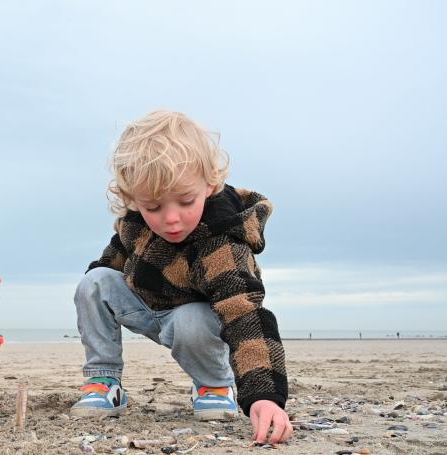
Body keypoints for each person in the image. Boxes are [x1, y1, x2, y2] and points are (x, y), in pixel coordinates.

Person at [71, 110, 292, 444]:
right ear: (134, 198)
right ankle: (104, 382)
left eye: (186, 201)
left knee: (191, 318)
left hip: (198, 323)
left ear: (209, 184)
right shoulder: (135, 220)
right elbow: (115, 259)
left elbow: (245, 315)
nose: (170, 218)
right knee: (95, 281)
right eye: (153, 207)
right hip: (146, 306)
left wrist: (265, 396)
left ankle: (214, 384)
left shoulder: (221, 243)